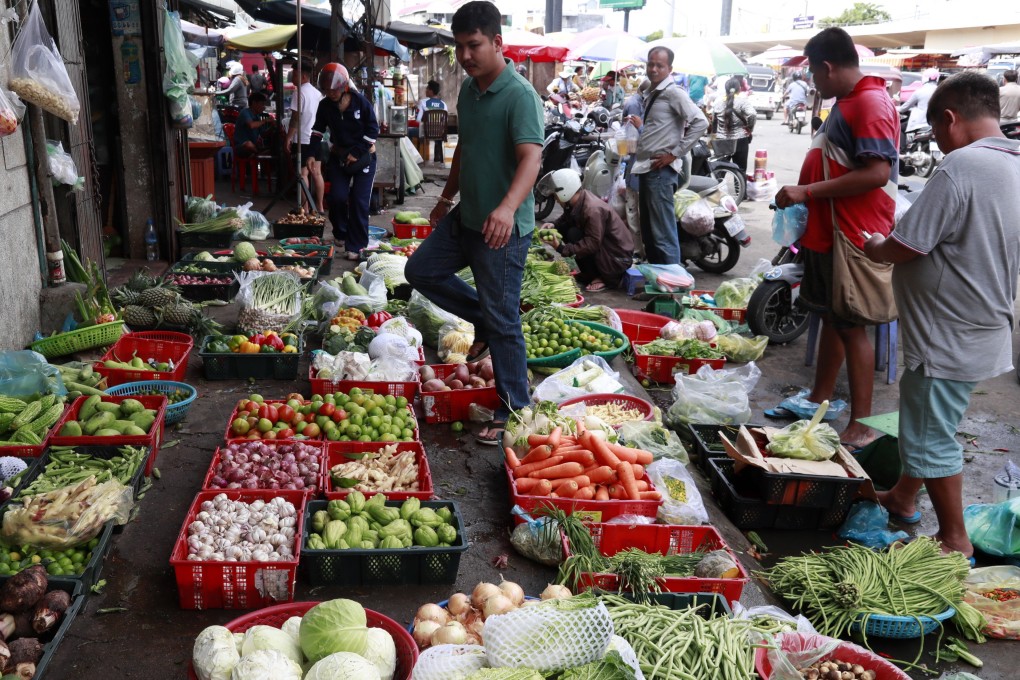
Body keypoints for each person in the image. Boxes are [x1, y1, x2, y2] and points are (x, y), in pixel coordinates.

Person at [863, 72, 1020, 558]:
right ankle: (904, 497)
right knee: (928, 420)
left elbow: (907, 246)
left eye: (934, 130)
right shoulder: (1013, 162)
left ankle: (955, 539)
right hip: (985, 323)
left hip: (947, 331)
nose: (935, 140)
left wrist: (875, 244)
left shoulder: (962, 166)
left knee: (933, 435)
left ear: (950, 118)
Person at [404, 0, 543, 446]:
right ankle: (485, 317)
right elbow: (465, 145)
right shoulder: (469, 89)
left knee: (505, 324)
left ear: (497, 42)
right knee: (419, 270)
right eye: (460, 47)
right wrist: (446, 196)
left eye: (474, 45)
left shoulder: (521, 96)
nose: (465, 55)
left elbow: (531, 159)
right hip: (467, 218)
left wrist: (505, 208)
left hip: (502, 230)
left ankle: (516, 409)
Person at [773, 27, 899, 450]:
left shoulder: (870, 101)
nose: (812, 80)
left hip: (849, 234)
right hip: (826, 232)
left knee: (850, 326)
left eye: (812, 72)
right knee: (830, 316)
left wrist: (806, 191)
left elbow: (878, 172)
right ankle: (818, 397)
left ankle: (862, 423)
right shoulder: (849, 101)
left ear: (827, 67)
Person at [625, 46, 708, 265]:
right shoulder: (653, 93)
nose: (653, 69)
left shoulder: (674, 93)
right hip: (646, 168)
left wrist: (674, 154)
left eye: (659, 65)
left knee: (662, 234)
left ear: (669, 68)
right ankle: (658, 284)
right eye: (650, 64)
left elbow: (701, 122)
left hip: (661, 172)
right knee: (650, 234)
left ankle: (671, 291)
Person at [310, 63, 379, 259]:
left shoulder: (361, 103)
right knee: (337, 197)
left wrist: (357, 152)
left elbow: (373, 130)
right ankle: (341, 232)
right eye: (327, 91)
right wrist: (311, 154)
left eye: (334, 90)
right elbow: (317, 131)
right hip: (338, 158)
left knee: (359, 201)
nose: (331, 94)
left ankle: (356, 246)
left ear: (344, 87)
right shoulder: (325, 106)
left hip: (364, 158)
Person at [537, 169, 634, 292]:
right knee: (570, 231)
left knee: (575, 236)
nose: (556, 199)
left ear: (565, 192)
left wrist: (561, 248)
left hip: (616, 259)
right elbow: (567, 218)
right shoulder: (578, 200)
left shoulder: (592, 210)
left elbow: (592, 243)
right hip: (608, 251)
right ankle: (590, 274)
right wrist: (553, 225)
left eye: (556, 196)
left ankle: (604, 278)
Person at [284, 61, 325, 213]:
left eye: (294, 74)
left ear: (303, 76)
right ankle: (320, 207)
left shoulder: (298, 92)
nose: (292, 76)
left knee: (303, 174)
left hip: (302, 139)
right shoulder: (317, 93)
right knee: (317, 173)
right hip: (316, 138)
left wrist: (288, 137)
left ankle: (306, 208)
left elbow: (295, 118)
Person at [712, 75, 756, 174]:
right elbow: (752, 114)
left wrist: (713, 136)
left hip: (722, 140)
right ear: (739, 89)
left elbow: (714, 121)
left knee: (720, 170)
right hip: (741, 140)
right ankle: (740, 189)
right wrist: (749, 128)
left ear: (725, 89)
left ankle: (717, 188)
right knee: (740, 171)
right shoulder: (743, 102)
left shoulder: (718, 103)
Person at [899, 68, 939, 139]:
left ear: (925, 78)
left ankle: (902, 149)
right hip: (935, 125)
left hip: (919, 124)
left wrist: (896, 109)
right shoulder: (941, 91)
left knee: (900, 128)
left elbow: (904, 108)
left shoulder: (919, 92)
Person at [233, 92, 272, 157]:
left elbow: (263, 134)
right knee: (248, 144)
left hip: (253, 147)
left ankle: (257, 153)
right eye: (262, 104)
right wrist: (265, 121)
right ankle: (258, 154)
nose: (263, 107)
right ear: (254, 103)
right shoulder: (245, 112)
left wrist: (272, 127)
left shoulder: (257, 116)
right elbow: (251, 125)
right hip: (241, 147)